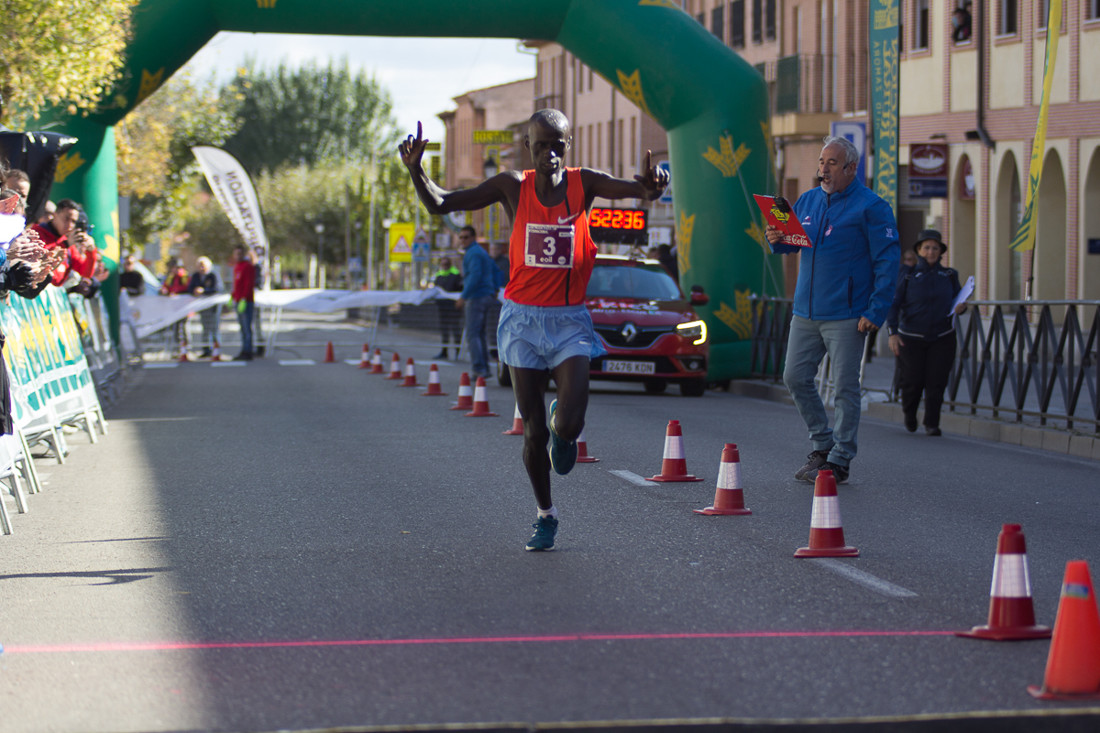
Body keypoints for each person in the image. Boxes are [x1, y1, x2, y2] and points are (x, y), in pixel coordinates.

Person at [399, 108, 669, 551]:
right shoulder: (512, 186)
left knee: (572, 418)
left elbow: (637, 189)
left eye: (557, 144)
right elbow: (443, 202)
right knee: (532, 433)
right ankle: (546, 514)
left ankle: (565, 430)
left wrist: (654, 184)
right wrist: (416, 171)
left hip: (568, 319)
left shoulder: (586, 183)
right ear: (529, 147)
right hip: (522, 319)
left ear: (568, 145)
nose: (549, 153)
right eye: (540, 145)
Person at [765, 135, 899, 484]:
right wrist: (777, 239)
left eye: (832, 163)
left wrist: (876, 310)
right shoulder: (807, 200)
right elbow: (793, 244)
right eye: (822, 162)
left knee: (844, 388)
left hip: (848, 314)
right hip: (806, 311)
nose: (823, 169)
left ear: (851, 168)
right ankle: (823, 444)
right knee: (794, 376)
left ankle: (840, 459)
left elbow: (888, 261)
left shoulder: (872, 207)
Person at [886, 229, 966, 436]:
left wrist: (961, 307)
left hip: (942, 336)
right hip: (911, 338)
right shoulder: (908, 275)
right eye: (927, 247)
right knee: (912, 381)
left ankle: (932, 423)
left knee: (936, 381)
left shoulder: (949, 275)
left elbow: (959, 300)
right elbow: (894, 305)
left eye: (935, 248)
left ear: (941, 252)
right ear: (920, 251)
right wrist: (892, 332)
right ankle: (910, 413)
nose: (931, 251)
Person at [452, 226, 502, 379]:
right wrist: (495, 289)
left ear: (473, 237)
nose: (462, 240)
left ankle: (479, 369)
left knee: (473, 334)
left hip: (476, 297)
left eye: (466, 237)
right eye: (460, 237)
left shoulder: (472, 254)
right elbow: (496, 271)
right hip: (486, 296)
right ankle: (484, 368)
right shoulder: (481, 252)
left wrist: (463, 296)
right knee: (480, 334)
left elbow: (474, 276)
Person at [189, 256, 221, 358]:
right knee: (205, 327)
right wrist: (194, 290)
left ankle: (216, 348)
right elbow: (190, 288)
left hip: (213, 307)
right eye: (199, 266)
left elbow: (217, 289)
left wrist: (204, 291)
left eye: (203, 266)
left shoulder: (213, 275)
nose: (201, 268)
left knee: (214, 327)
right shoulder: (196, 276)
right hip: (202, 306)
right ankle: (206, 348)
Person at [431, 255, 463, 360]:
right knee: (444, 330)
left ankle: (458, 352)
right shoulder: (439, 276)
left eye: (446, 264)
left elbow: (460, 289)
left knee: (455, 330)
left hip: (454, 308)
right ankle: (444, 351)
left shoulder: (455, 275)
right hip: (442, 308)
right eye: (442, 264)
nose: (444, 266)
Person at [230, 245, 256, 361]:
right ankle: (244, 349)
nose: (238, 256)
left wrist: (244, 298)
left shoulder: (248, 266)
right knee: (242, 327)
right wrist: (233, 296)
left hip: (246, 302)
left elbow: (248, 284)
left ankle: (248, 350)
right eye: (236, 254)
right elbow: (236, 284)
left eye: (240, 254)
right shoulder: (237, 267)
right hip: (238, 300)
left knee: (246, 327)